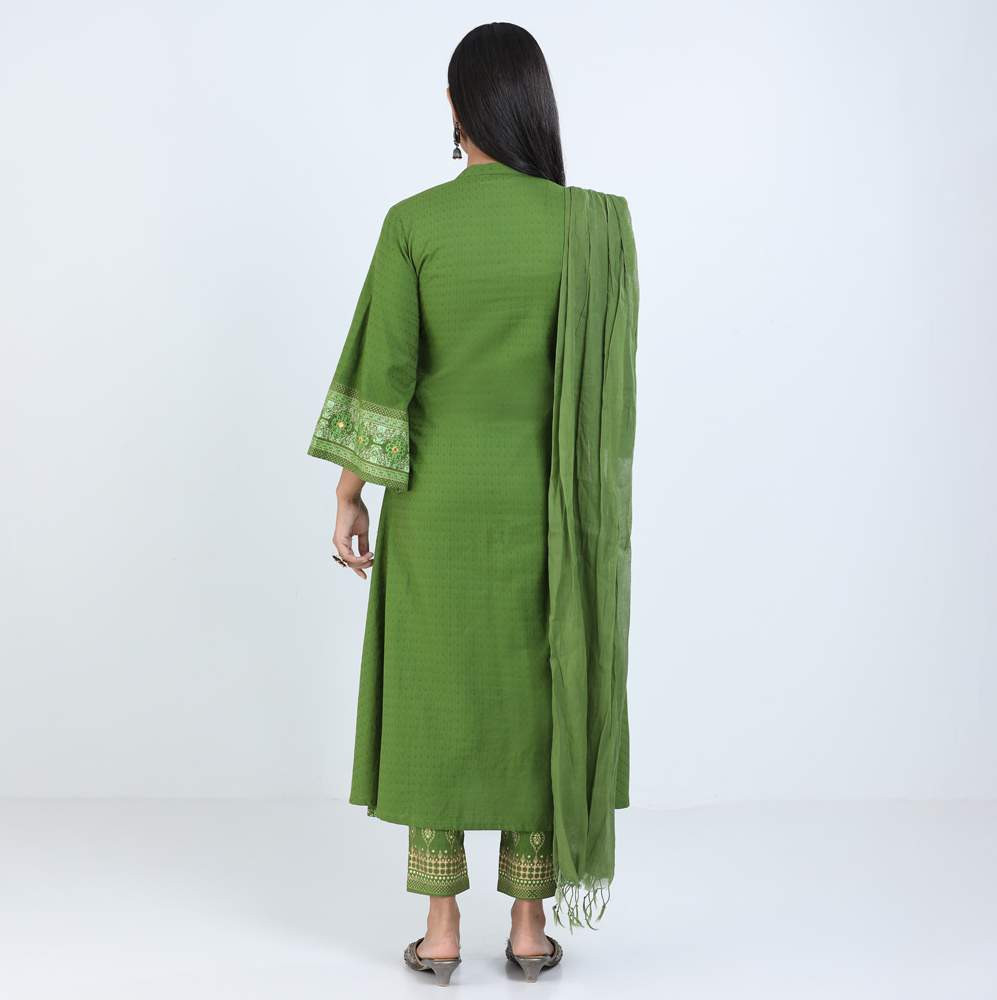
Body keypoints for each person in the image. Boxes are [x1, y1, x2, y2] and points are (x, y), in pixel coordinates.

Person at [307, 21, 638, 986]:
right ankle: (529, 927)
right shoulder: (588, 230)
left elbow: (386, 374)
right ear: (532, 104)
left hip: (438, 510)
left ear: (456, 108)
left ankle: (442, 929)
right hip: (551, 517)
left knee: (440, 701)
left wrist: (349, 492)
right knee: (541, 691)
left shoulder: (414, 225)